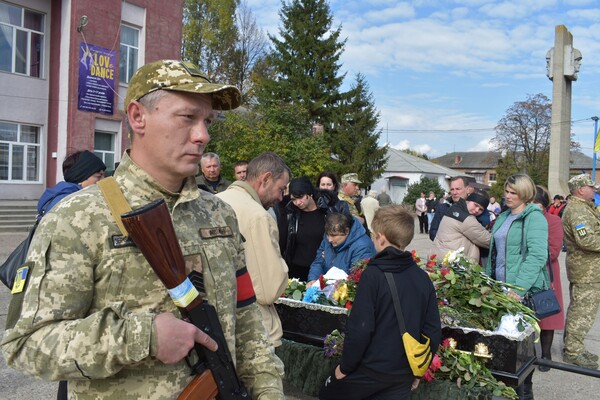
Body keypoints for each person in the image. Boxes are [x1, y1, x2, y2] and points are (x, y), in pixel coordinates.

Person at [1, 59, 285, 399]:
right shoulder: (79, 217)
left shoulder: (219, 214)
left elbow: (248, 322)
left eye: (207, 121)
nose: (203, 135)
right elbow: (26, 344)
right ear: (138, 117)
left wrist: (269, 391)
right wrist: (142, 337)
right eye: (187, 118)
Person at [319, 205, 441, 400]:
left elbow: (361, 328)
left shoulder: (373, 274)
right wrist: (418, 370)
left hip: (371, 370)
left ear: (381, 237)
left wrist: (345, 367)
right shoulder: (422, 277)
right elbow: (433, 330)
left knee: (326, 393)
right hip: (403, 373)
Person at [486, 174, 549, 400]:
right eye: (506, 191)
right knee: (503, 346)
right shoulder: (503, 217)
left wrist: (519, 289)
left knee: (522, 349)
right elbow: (494, 255)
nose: (508, 196)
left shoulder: (535, 218)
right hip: (500, 290)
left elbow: (537, 257)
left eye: (513, 192)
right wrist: (488, 283)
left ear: (524, 194)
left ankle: (525, 392)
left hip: (521, 292)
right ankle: (505, 390)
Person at [217, 152, 290, 347]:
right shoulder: (258, 216)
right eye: (280, 189)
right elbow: (269, 289)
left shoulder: (214, 202)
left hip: (219, 324)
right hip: (254, 331)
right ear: (265, 179)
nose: (281, 197)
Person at [561, 173, 600, 370]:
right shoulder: (577, 211)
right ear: (581, 189)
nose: (594, 190)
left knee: (579, 309)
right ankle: (573, 352)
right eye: (591, 187)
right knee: (583, 311)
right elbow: (586, 240)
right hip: (587, 271)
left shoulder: (583, 208)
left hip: (588, 270)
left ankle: (573, 346)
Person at [532, 185, 565, 372]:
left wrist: (530, 259)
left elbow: (553, 250)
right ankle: (527, 353)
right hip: (525, 272)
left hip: (546, 271)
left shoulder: (552, 221)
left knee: (547, 315)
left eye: (537, 202)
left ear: (544, 205)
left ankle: (546, 355)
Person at [278, 176, 327, 282]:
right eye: (294, 199)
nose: (297, 202)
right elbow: (281, 243)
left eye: (300, 197)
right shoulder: (289, 214)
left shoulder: (326, 212)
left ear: (310, 193)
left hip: (321, 268)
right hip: (295, 270)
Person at [307, 212, 375, 283]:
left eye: (334, 235)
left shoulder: (362, 247)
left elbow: (356, 279)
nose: (329, 239)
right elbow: (319, 262)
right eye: (327, 234)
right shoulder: (329, 238)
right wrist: (313, 279)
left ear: (346, 231)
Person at [37, 150, 106, 215]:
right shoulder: (73, 203)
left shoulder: (59, 195)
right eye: (98, 176)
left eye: (104, 175)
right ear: (80, 179)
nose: (103, 180)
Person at [432, 192, 491, 264]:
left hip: (440, 258)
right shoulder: (467, 219)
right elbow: (488, 241)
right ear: (468, 201)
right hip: (451, 265)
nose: (476, 210)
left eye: (481, 209)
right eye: (475, 205)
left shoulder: (454, 208)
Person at [429, 176, 470, 241]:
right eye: (452, 189)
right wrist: (447, 242)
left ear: (467, 189)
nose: (454, 192)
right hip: (445, 249)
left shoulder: (475, 209)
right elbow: (433, 232)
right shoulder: (442, 208)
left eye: (458, 189)